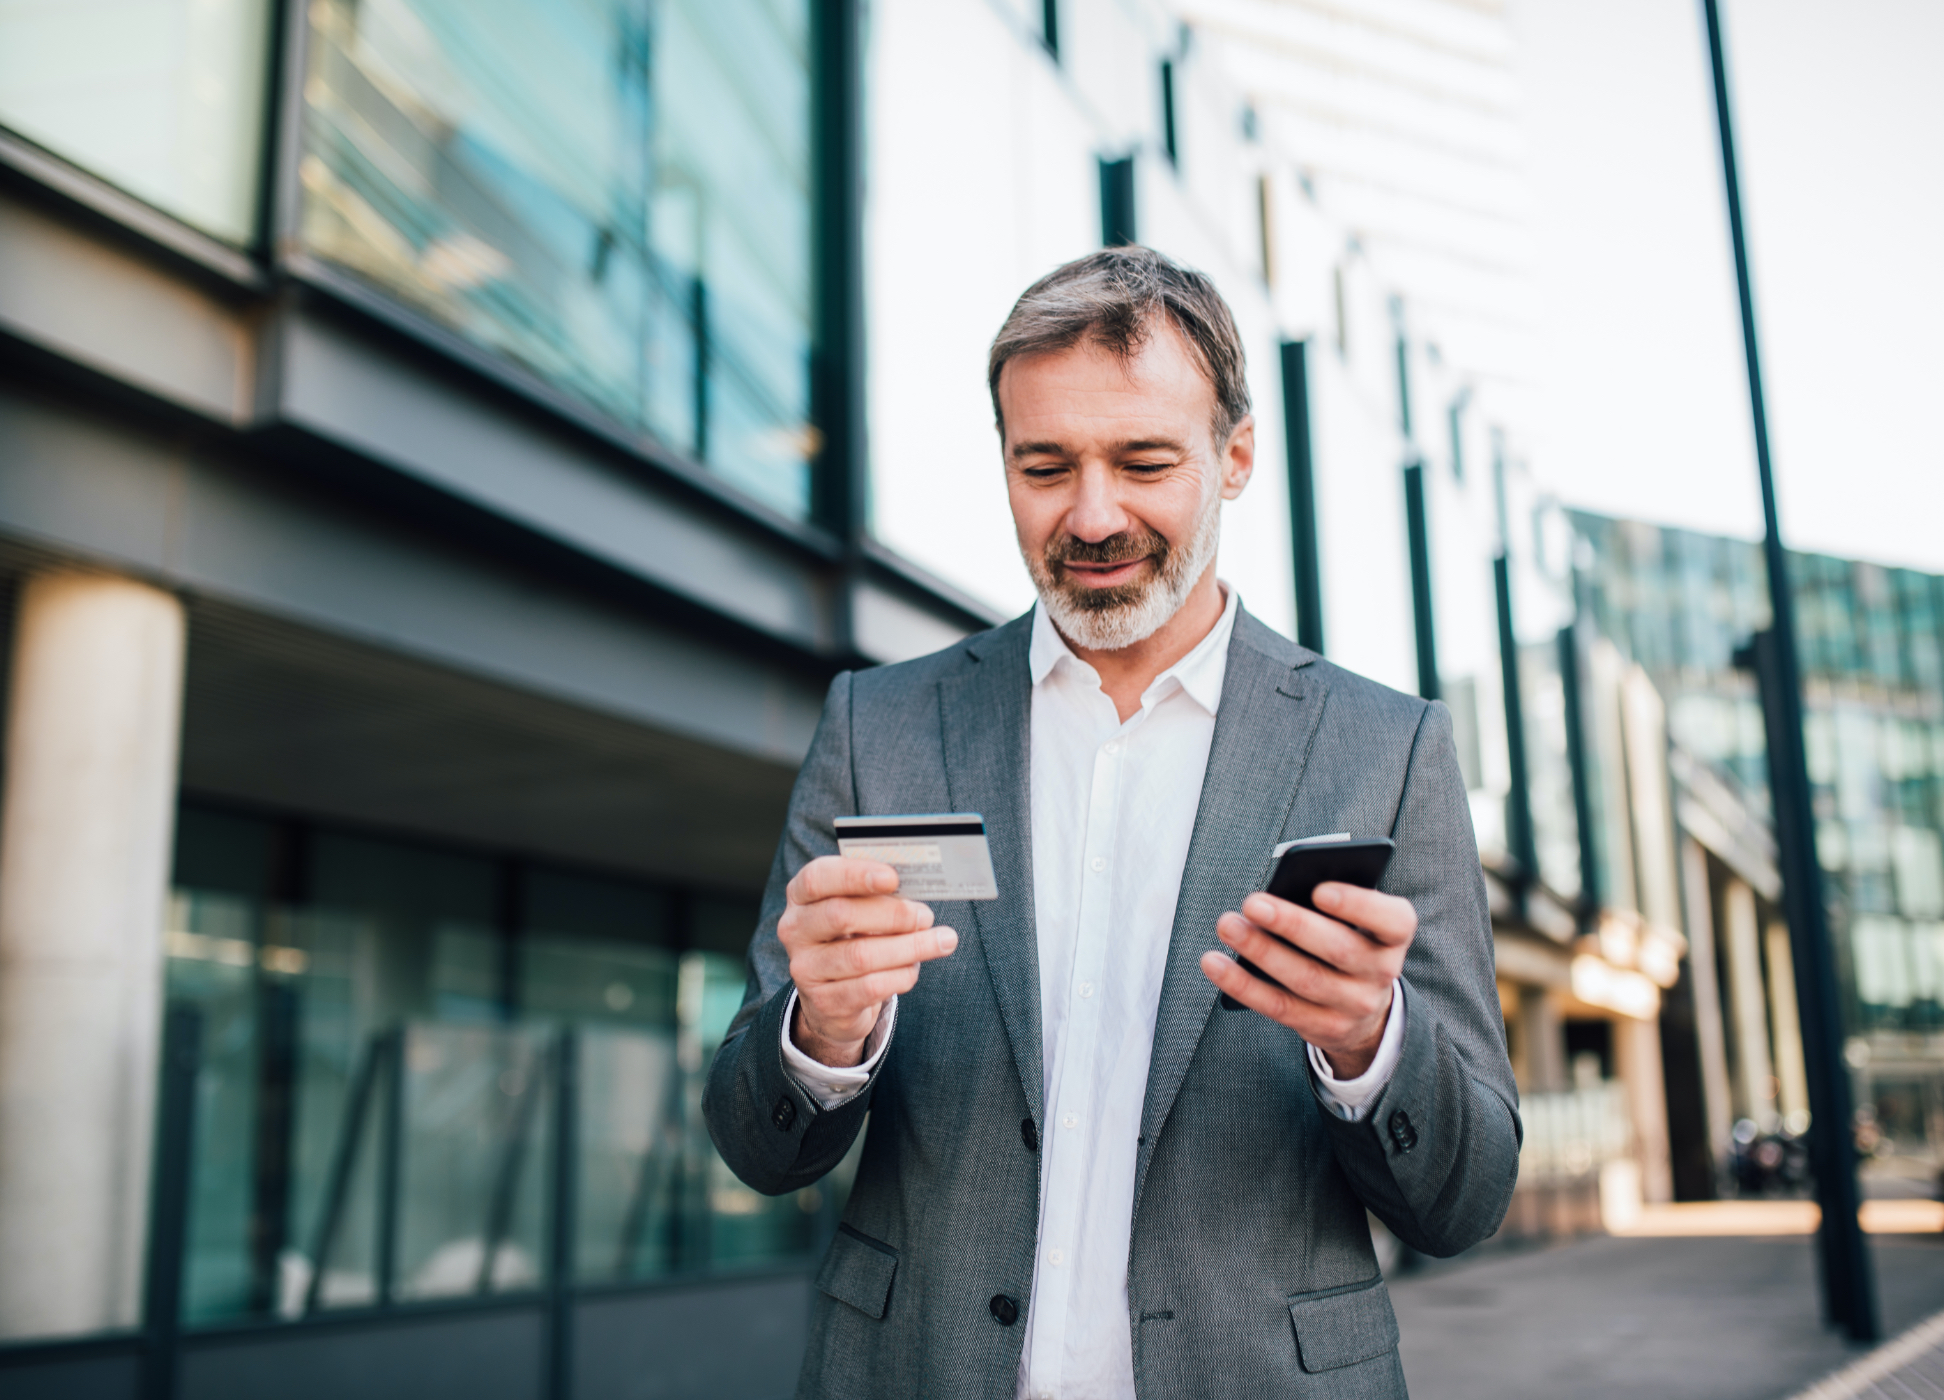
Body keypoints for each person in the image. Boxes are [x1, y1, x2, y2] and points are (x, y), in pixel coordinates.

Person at [704, 246, 1519, 1399]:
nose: (1092, 516)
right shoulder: (874, 725)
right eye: (1046, 466)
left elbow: (1466, 1195)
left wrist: (1369, 1042)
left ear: (1235, 457)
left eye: (1143, 460)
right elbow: (754, 1139)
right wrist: (823, 1033)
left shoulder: (1384, 749)